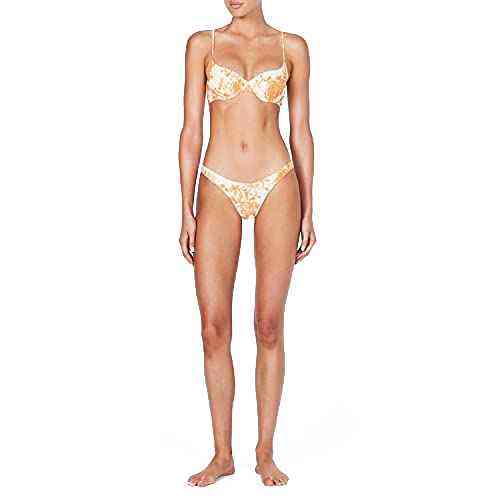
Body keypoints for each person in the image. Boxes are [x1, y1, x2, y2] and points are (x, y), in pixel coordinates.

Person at [178, 0, 316, 487]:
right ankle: (222, 454)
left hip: (277, 181)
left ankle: (264, 451)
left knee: (269, 324)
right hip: (217, 182)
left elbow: (301, 131)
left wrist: (309, 207)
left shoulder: (292, 47)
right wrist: (185, 207)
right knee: (213, 327)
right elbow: (191, 130)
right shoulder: (203, 45)